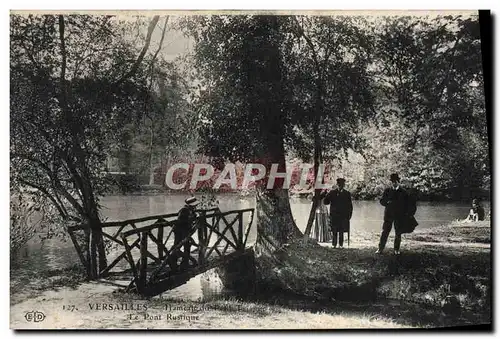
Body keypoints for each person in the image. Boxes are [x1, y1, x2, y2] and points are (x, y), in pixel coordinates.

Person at [376, 173, 418, 255]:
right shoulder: (387, 191)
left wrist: (408, 213)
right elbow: (382, 201)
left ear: (398, 182)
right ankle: (380, 248)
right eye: (392, 182)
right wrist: (387, 202)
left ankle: (396, 249)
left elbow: (409, 204)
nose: (394, 183)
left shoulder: (403, 192)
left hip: (399, 216)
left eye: (395, 182)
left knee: (398, 233)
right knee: (385, 232)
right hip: (388, 215)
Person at [322, 178, 353, 249]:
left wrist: (349, 215)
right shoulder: (332, 193)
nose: (340, 186)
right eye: (339, 184)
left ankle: (341, 244)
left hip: (343, 215)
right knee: (334, 230)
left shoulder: (347, 194)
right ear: (337, 185)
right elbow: (326, 202)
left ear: (344, 185)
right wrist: (325, 195)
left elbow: (350, 206)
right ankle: (334, 244)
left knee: (341, 230)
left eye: (342, 184)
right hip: (334, 215)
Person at [172, 196, 198, 271]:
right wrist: (191, 219)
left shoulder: (190, 210)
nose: (196, 206)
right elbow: (181, 221)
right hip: (180, 230)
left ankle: (184, 263)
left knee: (185, 245)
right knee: (178, 246)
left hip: (184, 230)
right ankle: (175, 263)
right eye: (195, 205)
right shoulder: (184, 210)